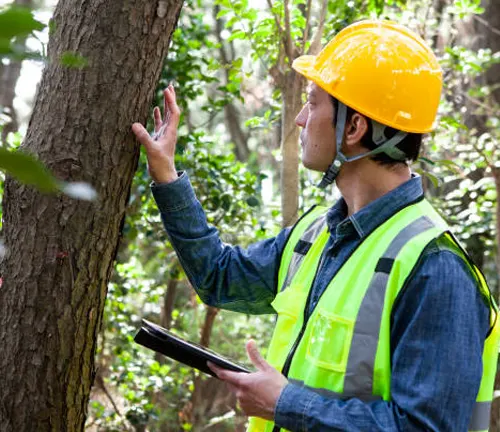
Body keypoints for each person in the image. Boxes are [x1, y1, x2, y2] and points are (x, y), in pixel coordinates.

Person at [132, 19, 499, 432]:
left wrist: (286, 404)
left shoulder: (436, 269)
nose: (301, 119)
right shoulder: (318, 234)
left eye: (312, 102)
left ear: (355, 127)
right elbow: (219, 277)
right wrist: (166, 174)